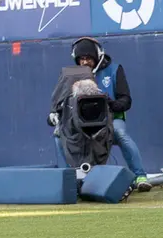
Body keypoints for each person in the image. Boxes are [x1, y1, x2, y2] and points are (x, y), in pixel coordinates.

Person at [54, 37, 153, 192]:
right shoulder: (71, 75)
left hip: (111, 120)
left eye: (88, 59)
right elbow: (61, 101)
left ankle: (140, 176)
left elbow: (126, 101)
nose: (85, 63)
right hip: (81, 123)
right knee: (59, 135)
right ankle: (68, 180)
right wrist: (55, 114)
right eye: (81, 59)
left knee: (120, 133)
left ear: (97, 56)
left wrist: (109, 104)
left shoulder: (114, 70)